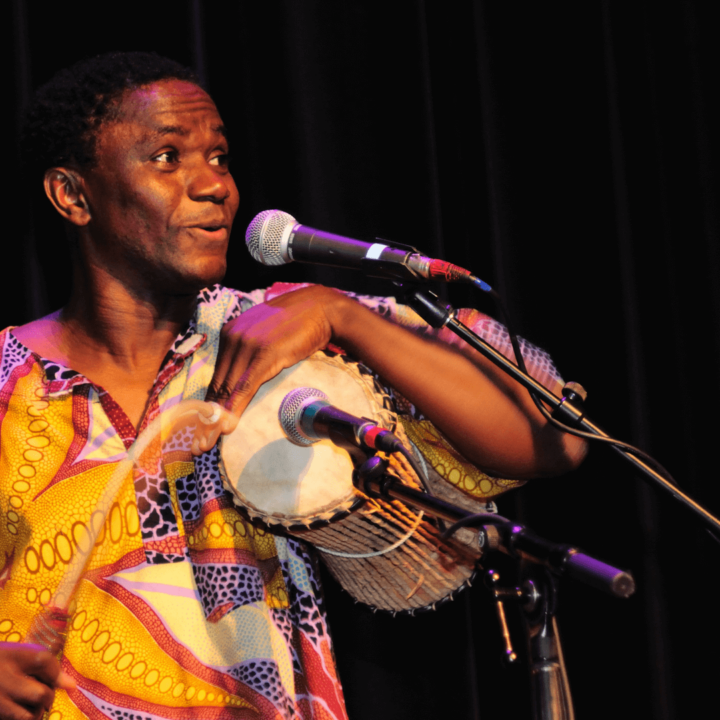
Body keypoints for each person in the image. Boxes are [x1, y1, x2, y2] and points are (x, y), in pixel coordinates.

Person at [0, 52, 586, 720]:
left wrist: (346, 316)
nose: (212, 184)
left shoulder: (274, 335)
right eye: (167, 157)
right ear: (73, 196)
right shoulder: (5, 382)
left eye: (218, 157)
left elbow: (551, 441)